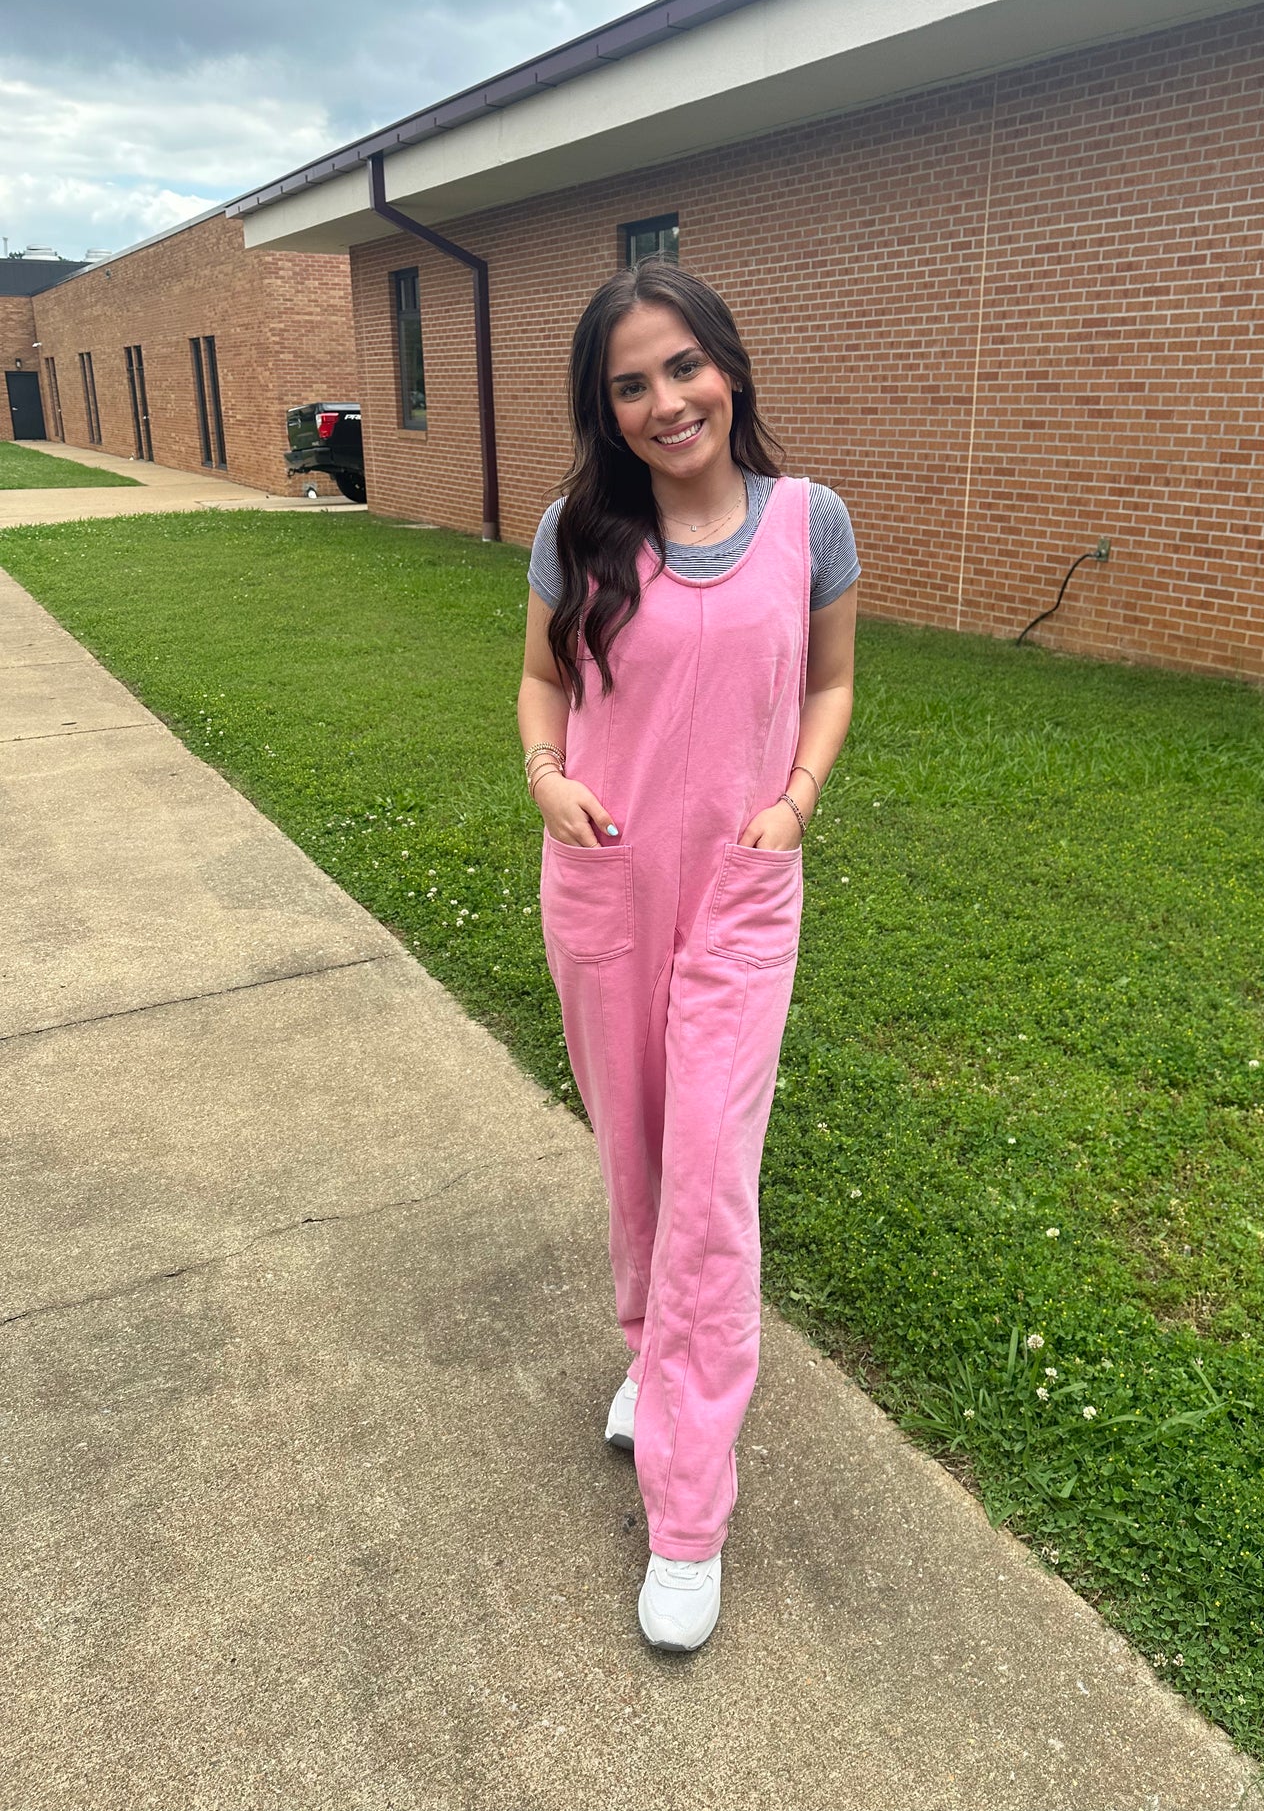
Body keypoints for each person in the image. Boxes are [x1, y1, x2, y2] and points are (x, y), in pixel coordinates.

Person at [516, 260, 859, 1652]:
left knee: (710, 1184)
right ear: (605, 408)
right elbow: (542, 678)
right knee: (637, 1155)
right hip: (606, 880)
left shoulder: (810, 521)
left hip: (737, 891)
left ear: (728, 366)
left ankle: (687, 1516)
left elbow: (830, 680)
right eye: (630, 384)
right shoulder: (578, 531)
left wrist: (795, 803)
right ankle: (653, 1358)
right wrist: (545, 775)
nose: (665, 402)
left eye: (683, 367)